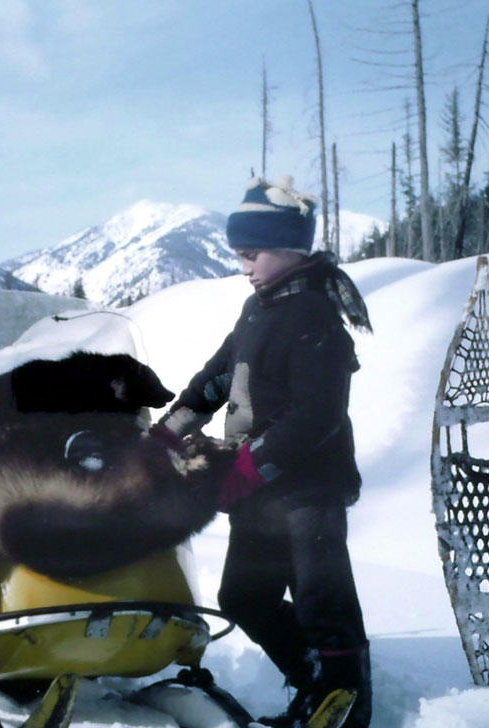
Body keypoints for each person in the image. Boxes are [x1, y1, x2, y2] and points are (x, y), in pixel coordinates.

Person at [154, 176, 372, 727]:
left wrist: (248, 468)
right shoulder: (260, 308)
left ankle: (347, 705)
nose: (244, 265)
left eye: (252, 254)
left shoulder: (315, 316)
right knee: (243, 597)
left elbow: (317, 416)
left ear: (289, 249)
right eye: (240, 255)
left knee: (324, 602)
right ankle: (315, 686)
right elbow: (218, 376)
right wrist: (167, 431)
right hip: (258, 490)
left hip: (306, 489)